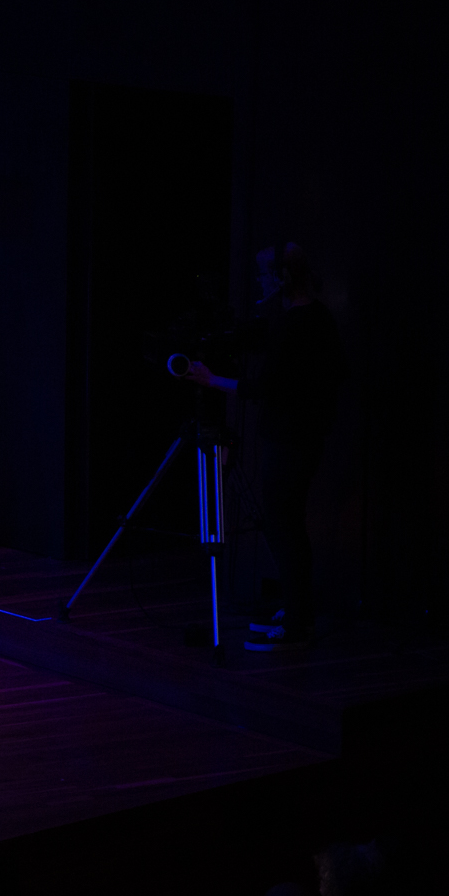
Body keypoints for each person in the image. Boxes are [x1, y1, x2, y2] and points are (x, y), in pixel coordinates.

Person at [184, 243, 346, 652]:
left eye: (262, 275)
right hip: (305, 439)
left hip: (289, 441)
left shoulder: (294, 325)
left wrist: (210, 380)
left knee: (283, 527)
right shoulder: (318, 317)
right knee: (289, 526)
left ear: (280, 278)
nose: (258, 283)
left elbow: (266, 387)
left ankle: (295, 624)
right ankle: (297, 612)